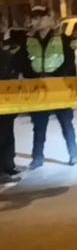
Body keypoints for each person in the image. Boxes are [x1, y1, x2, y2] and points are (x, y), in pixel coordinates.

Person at [17, 6, 77, 169]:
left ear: (50, 19)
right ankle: (37, 158)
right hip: (38, 89)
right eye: (34, 18)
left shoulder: (64, 40)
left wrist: (55, 78)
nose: (37, 21)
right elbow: (22, 63)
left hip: (59, 88)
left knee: (66, 123)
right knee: (39, 125)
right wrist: (34, 77)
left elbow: (69, 64)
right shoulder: (28, 41)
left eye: (41, 17)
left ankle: (73, 154)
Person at [0, 26, 22, 182]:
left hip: (7, 103)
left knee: (7, 135)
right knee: (5, 135)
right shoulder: (6, 56)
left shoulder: (6, 56)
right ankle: (5, 168)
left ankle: (8, 166)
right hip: (6, 102)